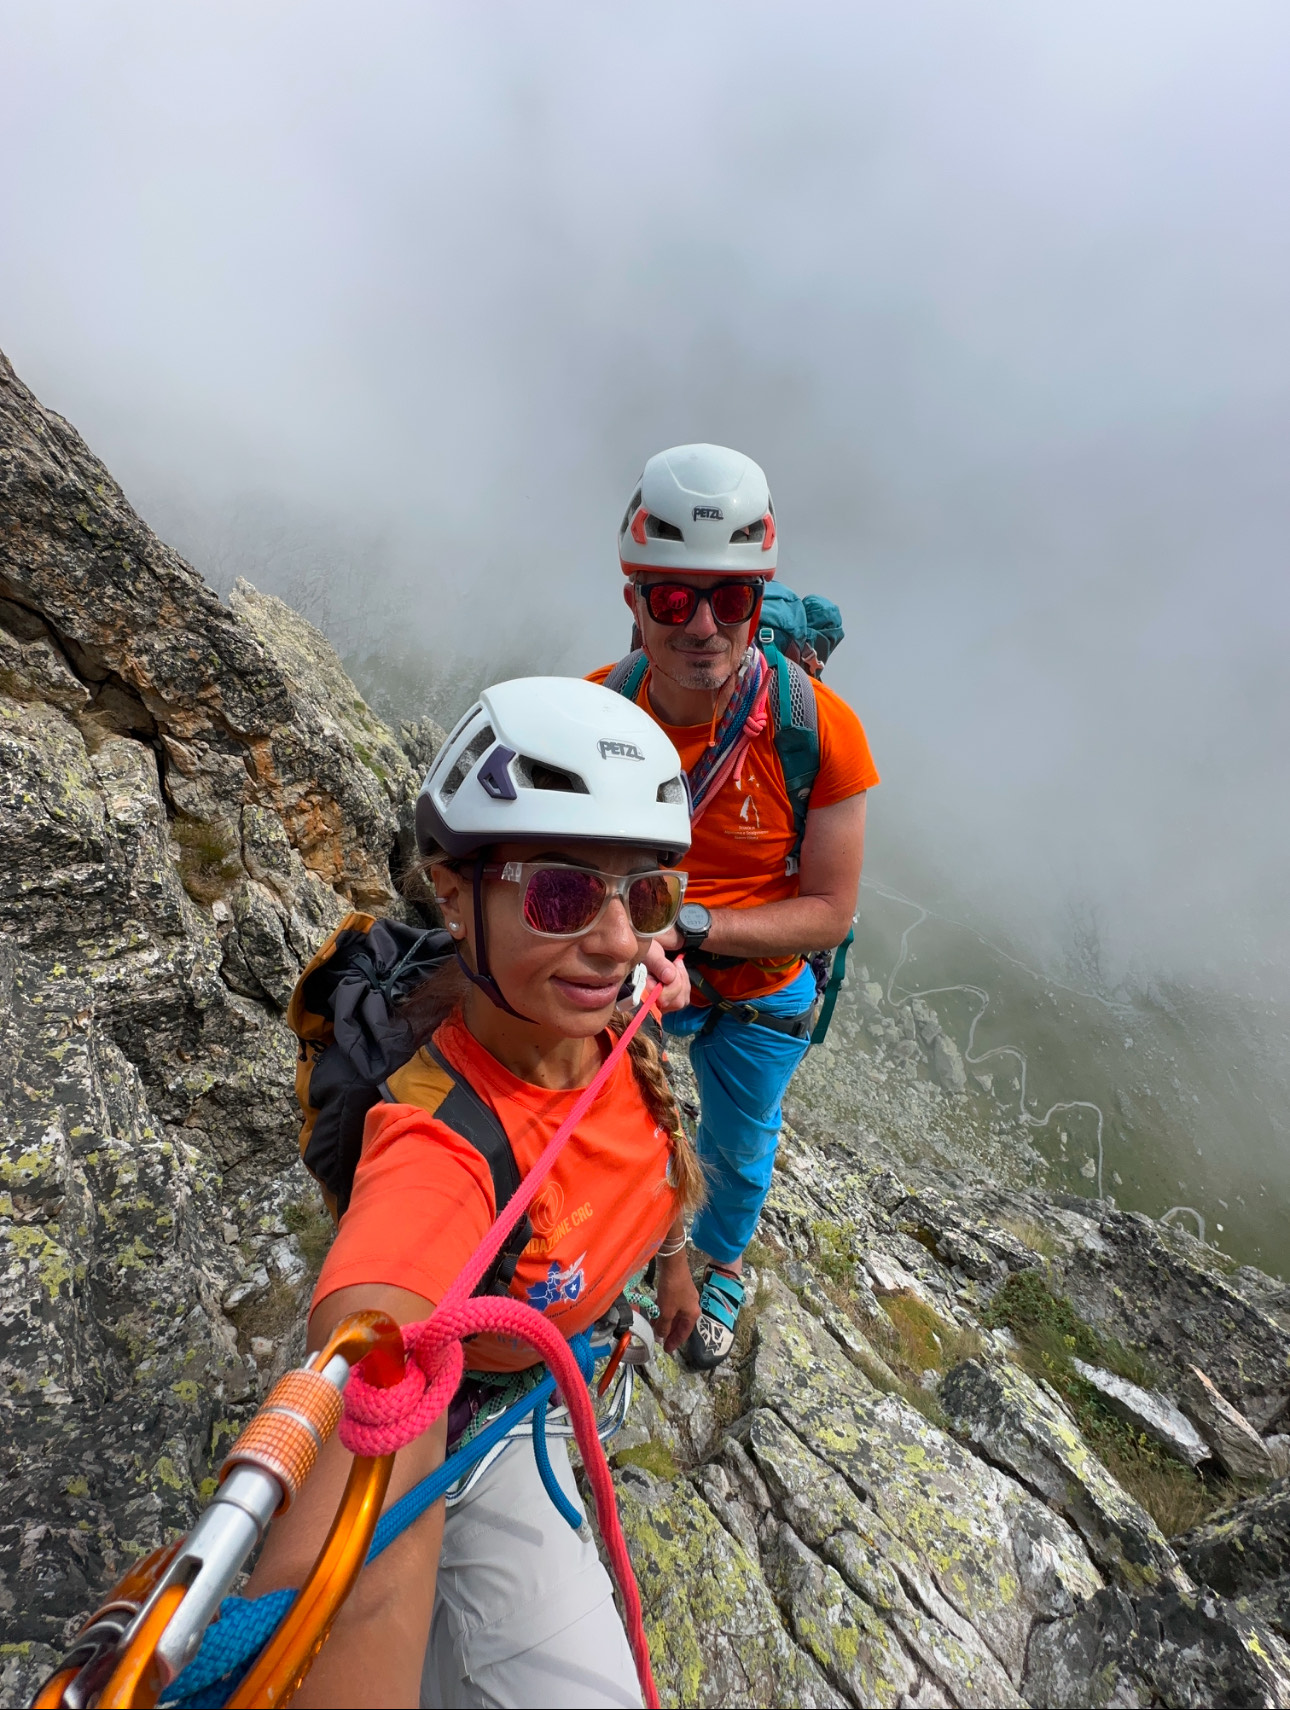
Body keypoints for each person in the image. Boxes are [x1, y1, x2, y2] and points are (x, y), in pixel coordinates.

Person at [247, 677, 703, 1709]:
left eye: (648, 892)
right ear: (453, 895)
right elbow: (378, 1366)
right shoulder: (437, 1144)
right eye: (560, 894)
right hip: (474, 1433)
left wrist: (672, 1272)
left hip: (564, 1370)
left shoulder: (613, 1010)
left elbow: (655, 1144)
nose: (619, 939)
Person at [591, 443, 879, 1368]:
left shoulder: (817, 730)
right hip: (642, 973)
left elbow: (830, 910)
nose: (703, 624)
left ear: (759, 599)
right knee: (619, 1119)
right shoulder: (594, 713)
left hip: (758, 987)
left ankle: (718, 1263)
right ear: (634, 597)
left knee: (741, 1149)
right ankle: (637, 1244)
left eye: (732, 598)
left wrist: (694, 927)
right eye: (674, 598)